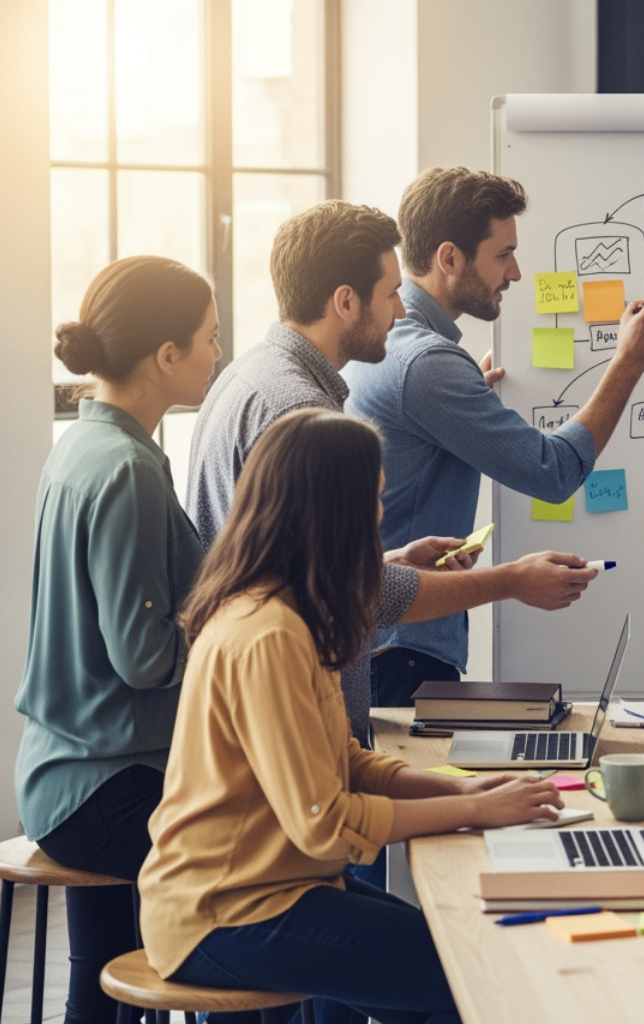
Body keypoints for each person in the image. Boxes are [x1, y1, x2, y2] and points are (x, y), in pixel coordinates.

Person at [139, 408, 565, 1024]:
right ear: (335, 513)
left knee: (459, 958)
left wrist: (463, 790)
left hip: (269, 888)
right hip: (223, 914)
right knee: (473, 974)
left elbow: (344, 761)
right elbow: (327, 825)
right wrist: (474, 811)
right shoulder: (268, 634)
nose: (379, 516)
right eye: (373, 499)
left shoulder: (291, 612)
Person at [187, 200, 594, 743]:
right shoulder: (301, 412)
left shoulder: (245, 376)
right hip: (288, 719)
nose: (400, 312)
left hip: (254, 707)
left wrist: (390, 559)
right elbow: (357, 592)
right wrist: (511, 580)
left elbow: (290, 566)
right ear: (345, 302)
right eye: (390, 294)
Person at [343, 167, 644, 707]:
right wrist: (628, 364)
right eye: (503, 255)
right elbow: (554, 472)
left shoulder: (398, 346)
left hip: (390, 642)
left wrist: (462, 398)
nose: (515, 273)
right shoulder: (427, 365)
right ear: (450, 258)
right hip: (402, 649)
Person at [13, 256, 220, 1024]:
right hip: (105, 782)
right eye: (210, 337)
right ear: (166, 356)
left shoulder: (82, 444)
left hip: (59, 772)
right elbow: (144, 657)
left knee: (99, 975)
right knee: (263, 872)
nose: (218, 353)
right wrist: (226, 637)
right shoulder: (128, 466)